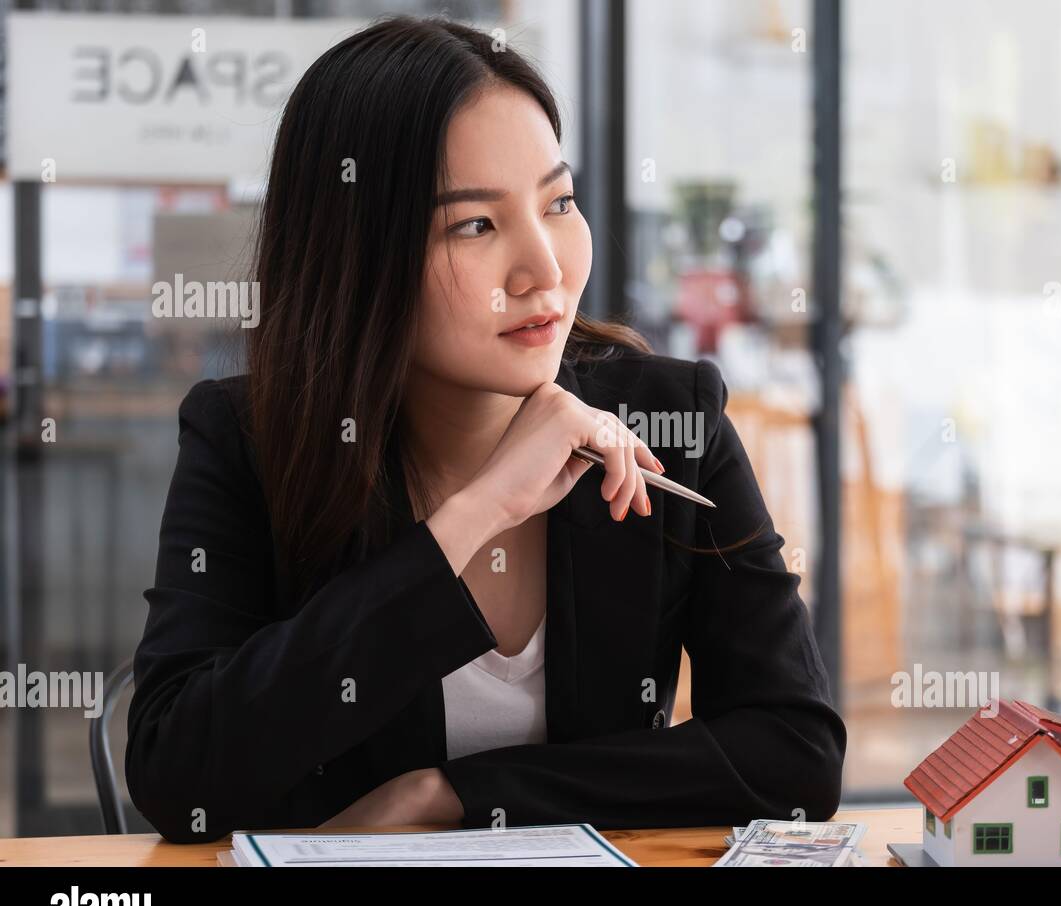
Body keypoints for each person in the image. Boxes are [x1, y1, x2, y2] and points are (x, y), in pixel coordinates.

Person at [126, 14, 846, 845]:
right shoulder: (246, 441)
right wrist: (477, 515)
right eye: (475, 224)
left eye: (559, 202)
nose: (544, 269)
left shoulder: (669, 421)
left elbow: (795, 756)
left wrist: (457, 795)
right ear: (356, 253)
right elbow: (179, 779)